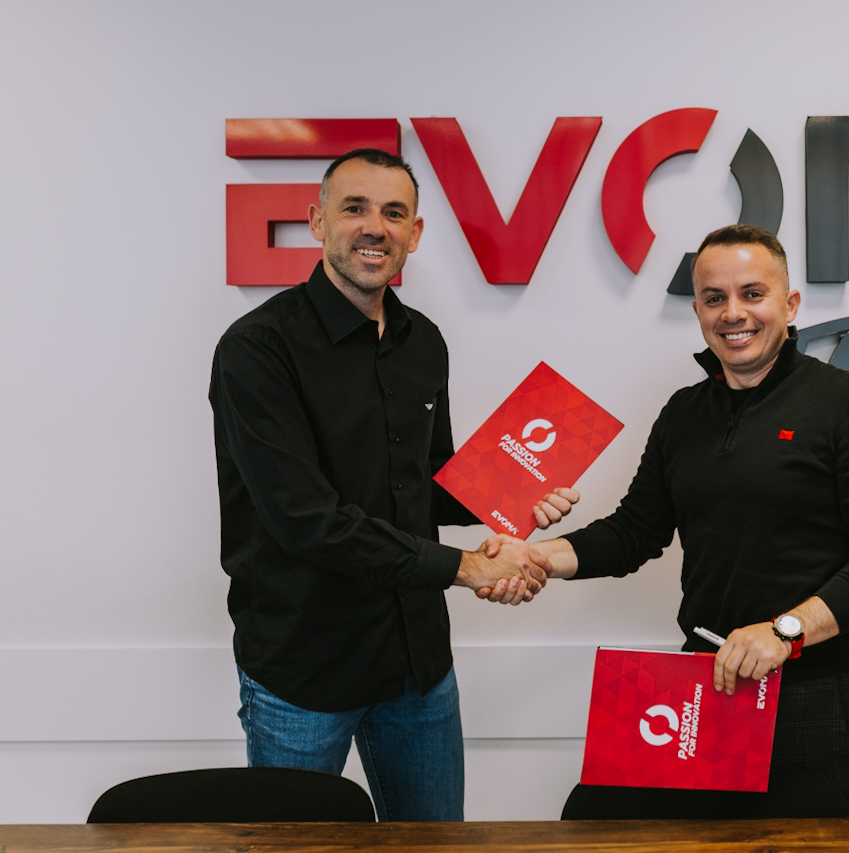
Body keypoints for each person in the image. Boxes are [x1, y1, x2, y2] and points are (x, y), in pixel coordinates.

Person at [484, 224, 849, 816]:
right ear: (697, 311)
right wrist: (538, 556)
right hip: (704, 685)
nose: (733, 313)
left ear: (790, 304)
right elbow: (635, 531)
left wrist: (784, 633)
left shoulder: (848, 405)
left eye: (752, 293)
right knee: (593, 819)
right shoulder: (683, 412)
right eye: (715, 298)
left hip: (813, 695)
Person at [208, 148, 576, 822]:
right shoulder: (257, 348)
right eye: (355, 208)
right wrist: (467, 566)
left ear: (415, 232)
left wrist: (513, 493)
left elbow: (423, 483)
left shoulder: (422, 341)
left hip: (417, 662)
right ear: (318, 221)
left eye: (394, 212)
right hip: (304, 667)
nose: (375, 226)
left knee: (436, 847)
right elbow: (307, 520)